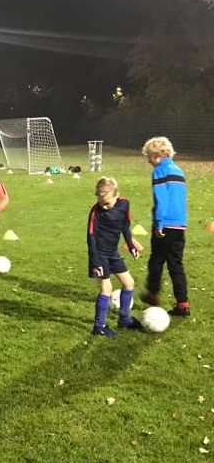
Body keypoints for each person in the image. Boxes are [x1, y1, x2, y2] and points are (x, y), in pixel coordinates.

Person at [140, 136, 190, 317]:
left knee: (156, 260)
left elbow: (162, 200)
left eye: (149, 157)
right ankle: (183, 304)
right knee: (176, 264)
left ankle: (152, 294)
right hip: (180, 225)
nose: (148, 161)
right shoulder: (179, 171)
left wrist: (159, 224)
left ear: (157, 155)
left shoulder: (159, 172)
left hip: (165, 225)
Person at [87, 177, 142, 338]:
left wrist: (131, 245)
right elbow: (90, 237)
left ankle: (124, 319)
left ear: (117, 196)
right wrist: (95, 261)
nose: (103, 206)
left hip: (112, 252)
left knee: (129, 283)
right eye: (100, 202)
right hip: (99, 254)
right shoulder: (96, 211)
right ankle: (99, 326)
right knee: (107, 288)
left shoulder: (124, 204)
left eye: (107, 203)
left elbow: (125, 226)